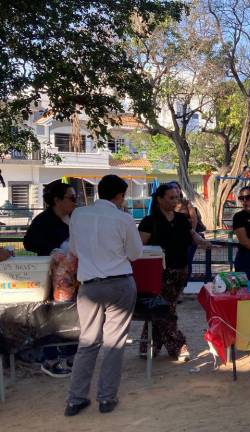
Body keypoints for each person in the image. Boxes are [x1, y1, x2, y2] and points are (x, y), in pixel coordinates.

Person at [65, 174, 143, 416]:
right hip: (120, 284)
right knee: (113, 343)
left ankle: (75, 400)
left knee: (87, 343)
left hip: (89, 286)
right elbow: (135, 254)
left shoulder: (78, 215)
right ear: (119, 196)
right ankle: (107, 399)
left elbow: (75, 250)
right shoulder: (124, 219)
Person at [138, 184, 211, 361]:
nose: (175, 201)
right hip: (158, 272)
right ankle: (178, 345)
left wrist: (202, 242)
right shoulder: (149, 221)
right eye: (171, 198)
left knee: (161, 308)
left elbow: (192, 234)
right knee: (166, 309)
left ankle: (148, 346)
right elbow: (138, 247)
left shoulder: (181, 219)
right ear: (160, 199)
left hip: (180, 270)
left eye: (176, 197)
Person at [23, 180, 78, 377]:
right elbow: (28, 242)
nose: (75, 202)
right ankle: (50, 359)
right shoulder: (43, 220)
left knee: (74, 316)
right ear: (57, 200)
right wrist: (51, 250)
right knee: (53, 317)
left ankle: (72, 356)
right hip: (50, 279)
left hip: (74, 278)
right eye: (71, 198)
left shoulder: (75, 218)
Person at [177, 197, 207, 277]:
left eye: (177, 188)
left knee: (187, 261)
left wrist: (192, 234)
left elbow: (194, 219)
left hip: (189, 237)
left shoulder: (187, 203)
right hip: (175, 238)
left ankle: (185, 281)